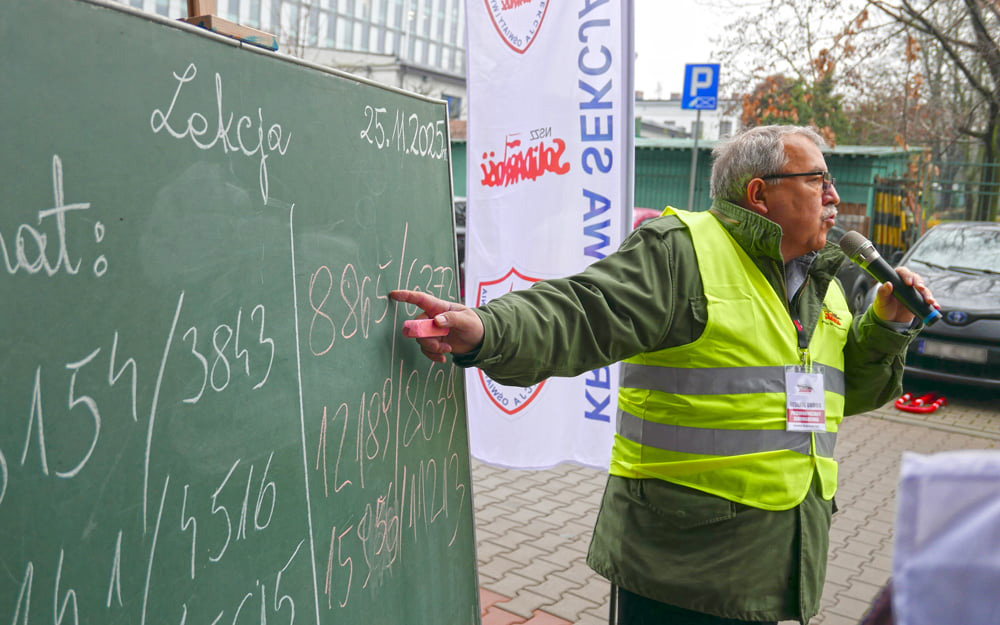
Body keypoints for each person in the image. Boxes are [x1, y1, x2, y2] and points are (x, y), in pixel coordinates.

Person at [390, 125, 937, 625]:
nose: (834, 196)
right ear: (759, 194)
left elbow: (846, 395)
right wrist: (488, 329)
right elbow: (583, 312)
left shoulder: (826, 285)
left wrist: (888, 326)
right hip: (682, 571)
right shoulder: (682, 252)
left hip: (774, 562)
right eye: (818, 179)